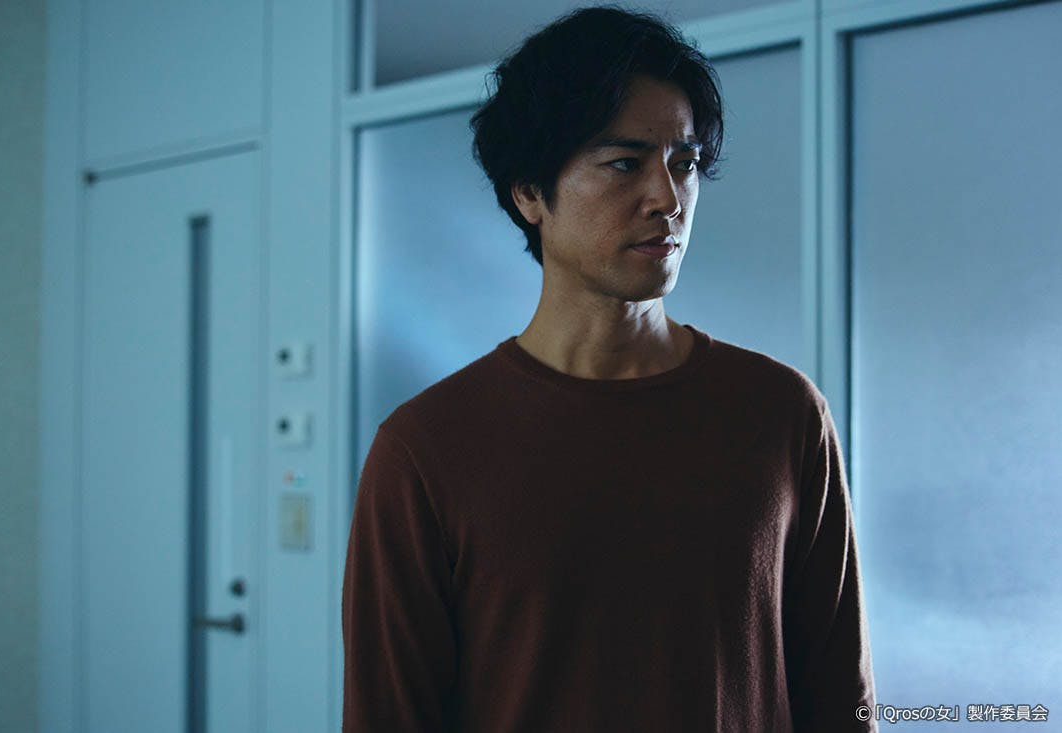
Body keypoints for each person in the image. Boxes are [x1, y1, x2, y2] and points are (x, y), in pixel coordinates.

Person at [342, 5, 877, 731]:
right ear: (529, 192)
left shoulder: (781, 413)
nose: (668, 199)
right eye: (626, 163)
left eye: (684, 164)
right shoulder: (426, 450)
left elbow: (843, 698)